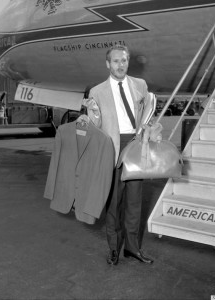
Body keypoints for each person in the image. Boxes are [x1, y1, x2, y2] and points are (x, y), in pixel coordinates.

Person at [84, 44, 154, 266]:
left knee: (134, 203)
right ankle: (114, 249)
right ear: (108, 64)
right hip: (112, 148)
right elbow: (95, 126)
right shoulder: (96, 92)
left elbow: (146, 115)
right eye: (116, 61)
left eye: (124, 60)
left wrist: (148, 132)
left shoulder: (140, 85)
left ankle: (132, 248)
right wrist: (89, 117)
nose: (120, 65)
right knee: (113, 204)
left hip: (134, 146)